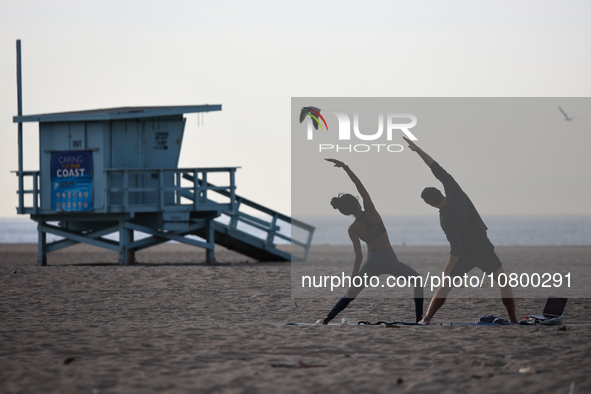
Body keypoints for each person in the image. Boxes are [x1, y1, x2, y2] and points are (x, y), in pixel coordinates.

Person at [402, 137, 518, 325]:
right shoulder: (456, 191)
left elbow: (456, 247)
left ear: (431, 204)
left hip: (465, 253)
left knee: (445, 286)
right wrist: (418, 150)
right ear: (441, 192)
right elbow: (437, 168)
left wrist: (447, 270)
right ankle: (513, 320)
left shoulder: (445, 218)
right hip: (483, 247)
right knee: (503, 281)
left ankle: (426, 320)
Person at [320, 158, 424, 324]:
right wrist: (346, 167)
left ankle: (327, 318)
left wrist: (353, 280)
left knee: (352, 293)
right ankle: (420, 319)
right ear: (356, 201)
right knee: (418, 281)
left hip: (373, 261)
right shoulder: (371, 211)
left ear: (345, 212)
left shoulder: (352, 228)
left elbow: (358, 256)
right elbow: (359, 185)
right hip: (390, 259)